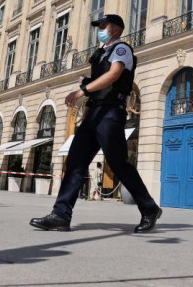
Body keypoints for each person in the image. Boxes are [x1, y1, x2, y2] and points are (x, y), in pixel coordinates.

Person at [30, 14, 162, 233]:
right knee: (75, 162)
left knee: (118, 162)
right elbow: (99, 83)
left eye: (104, 25)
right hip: (95, 113)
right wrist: (89, 107)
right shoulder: (101, 54)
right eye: (99, 26)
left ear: (116, 30)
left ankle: (149, 208)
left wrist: (82, 91)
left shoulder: (122, 50)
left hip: (111, 112)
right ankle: (60, 215)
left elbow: (114, 74)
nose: (100, 29)